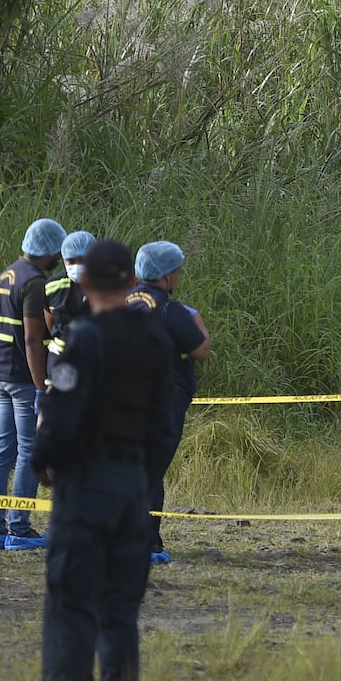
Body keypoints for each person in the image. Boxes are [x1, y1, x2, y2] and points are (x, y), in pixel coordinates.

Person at [31, 239, 176, 681]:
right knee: (119, 610)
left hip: (87, 486)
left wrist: (45, 464)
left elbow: (61, 414)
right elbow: (163, 423)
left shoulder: (86, 340)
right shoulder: (155, 340)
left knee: (72, 604)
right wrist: (142, 473)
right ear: (130, 281)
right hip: (132, 487)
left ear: (86, 282)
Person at [0, 218, 66, 550]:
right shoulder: (33, 282)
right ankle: (19, 529)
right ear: (47, 250)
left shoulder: (9, 272)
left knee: (3, 450)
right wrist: (40, 386)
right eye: (57, 250)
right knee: (30, 450)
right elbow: (32, 339)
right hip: (22, 377)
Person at [126, 240, 210, 565]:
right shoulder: (169, 310)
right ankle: (147, 543)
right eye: (177, 271)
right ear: (166, 275)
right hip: (161, 401)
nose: (179, 276)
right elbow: (201, 350)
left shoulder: (120, 303)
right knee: (152, 471)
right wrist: (197, 323)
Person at [41, 229, 96, 377]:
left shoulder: (106, 285)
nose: (77, 266)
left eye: (83, 260)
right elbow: (51, 324)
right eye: (71, 261)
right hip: (61, 362)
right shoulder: (52, 286)